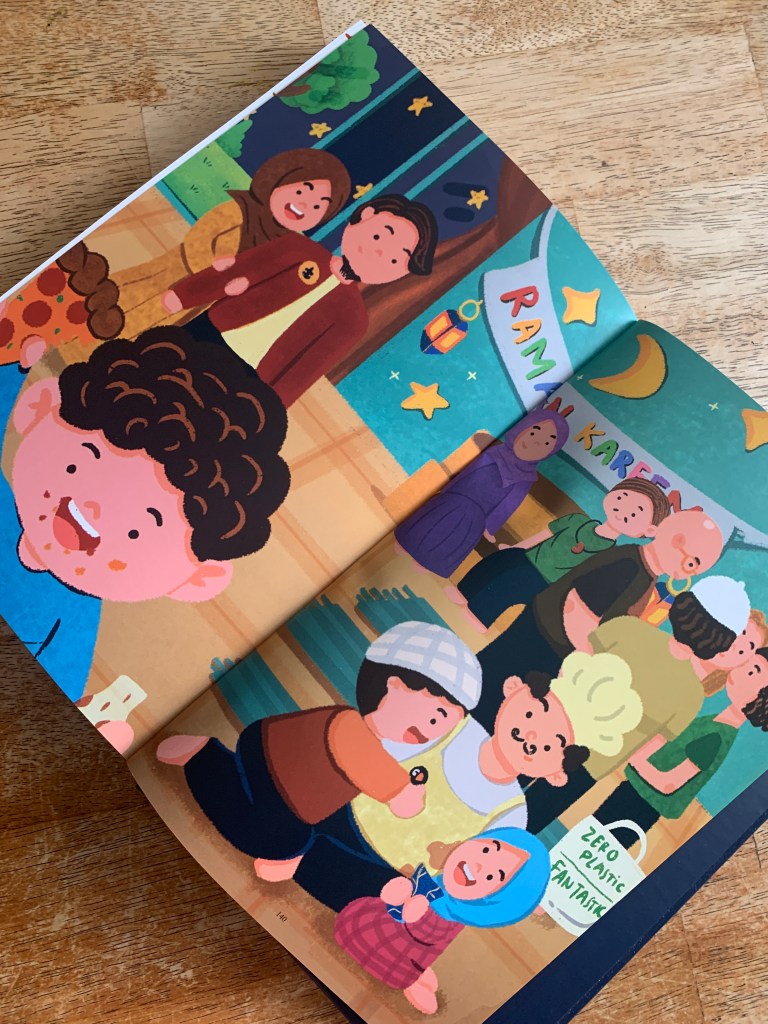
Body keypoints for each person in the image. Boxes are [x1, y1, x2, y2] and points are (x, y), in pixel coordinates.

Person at [5, 326, 289, 700]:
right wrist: (15, 366)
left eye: (138, 528)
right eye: (77, 466)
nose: (91, 510)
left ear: (198, 580)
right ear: (38, 409)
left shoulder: (70, 624)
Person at [268, 652, 637, 914]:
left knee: (368, 892)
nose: (530, 737)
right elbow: (385, 749)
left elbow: (474, 865)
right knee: (315, 808)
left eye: (550, 744)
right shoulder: (451, 724)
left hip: (390, 868)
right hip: (351, 812)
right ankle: (298, 848)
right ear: (513, 690)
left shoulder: (513, 814)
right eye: (532, 713)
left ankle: (312, 864)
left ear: (557, 774)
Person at [156, 623, 481, 879]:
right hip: (269, 759)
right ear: (393, 685)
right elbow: (364, 762)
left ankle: (285, 850)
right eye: (435, 713)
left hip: (289, 795)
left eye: (443, 725)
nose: (431, 728)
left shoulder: (375, 746)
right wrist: (399, 791)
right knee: (260, 835)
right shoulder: (350, 724)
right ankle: (204, 758)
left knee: (292, 838)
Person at [522, 576, 751, 836]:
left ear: (681, 607)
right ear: (720, 644)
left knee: (502, 779)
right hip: (590, 764)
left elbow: (571, 665)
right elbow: (650, 746)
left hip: (548, 724)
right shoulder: (691, 696)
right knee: (531, 817)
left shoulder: (628, 628)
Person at [161, 194, 438, 406]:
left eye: (394, 259)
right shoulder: (298, 247)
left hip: (250, 375)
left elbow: (303, 372)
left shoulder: (354, 320)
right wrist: (185, 295)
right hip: (213, 328)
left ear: (403, 272)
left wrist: (268, 407)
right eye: (378, 236)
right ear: (365, 216)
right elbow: (239, 270)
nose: (378, 253)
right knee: (159, 367)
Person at [473, 508, 725, 732]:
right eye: (692, 563)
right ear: (676, 541)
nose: (690, 572)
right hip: (548, 636)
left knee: (505, 697)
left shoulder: (645, 573)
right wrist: (583, 656)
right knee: (494, 684)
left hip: (555, 640)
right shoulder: (630, 564)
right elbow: (577, 605)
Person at [112, 149, 352, 339]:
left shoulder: (284, 246)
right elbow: (200, 238)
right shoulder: (239, 209)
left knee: (149, 330)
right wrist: (217, 263)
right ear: (280, 180)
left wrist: (239, 287)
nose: (305, 205)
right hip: (169, 274)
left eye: (319, 205)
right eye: (301, 191)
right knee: (120, 304)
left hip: (198, 302)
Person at [334, 827, 550, 1015]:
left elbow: (429, 940)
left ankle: (414, 975)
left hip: (407, 945)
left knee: (409, 957)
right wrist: (402, 895)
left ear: (492, 901)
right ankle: (416, 975)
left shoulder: (456, 917)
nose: (478, 867)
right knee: (357, 924)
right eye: (486, 850)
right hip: (375, 921)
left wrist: (415, 910)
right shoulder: (436, 878)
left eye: (492, 877)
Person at [593, 645, 768, 848]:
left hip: (642, 804)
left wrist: (638, 759)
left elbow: (669, 784)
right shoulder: (714, 722)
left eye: (754, 671)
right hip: (635, 792)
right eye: (748, 663)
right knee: (590, 837)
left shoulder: (716, 737)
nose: (742, 669)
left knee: (599, 845)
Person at [449, 478, 671, 632]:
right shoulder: (576, 520)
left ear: (648, 531)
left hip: (549, 581)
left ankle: (477, 615)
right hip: (529, 556)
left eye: (636, 512)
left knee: (509, 585)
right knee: (500, 561)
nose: (624, 510)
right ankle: (464, 591)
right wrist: (516, 547)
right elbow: (546, 534)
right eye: (623, 497)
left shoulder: (609, 553)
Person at [394, 409, 570, 578]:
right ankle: (408, 543)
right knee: (430, 523)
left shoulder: (525, 479)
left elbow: (509, 505)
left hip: (475, 519)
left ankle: (429, 562)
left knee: (452, 540)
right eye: (533, 433)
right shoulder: (492, 453)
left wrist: (490, 525)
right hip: (452, 500)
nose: (536, 443)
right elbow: (467, 473)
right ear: (521, 429)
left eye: (547, 443)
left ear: (551, 451)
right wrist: (447, 489)